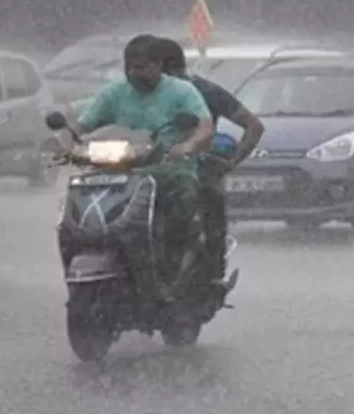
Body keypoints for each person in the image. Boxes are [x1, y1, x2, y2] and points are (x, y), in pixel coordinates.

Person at [73, 35, 215, 292]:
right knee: (78, 201)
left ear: (159, 65)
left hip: (168, 171)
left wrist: (186, 146)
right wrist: (67, 140)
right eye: (132, 67)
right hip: (120, 173)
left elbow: (205, 127)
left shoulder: (181, 92)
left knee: (182, 201)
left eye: (143, 67)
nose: (137, 73)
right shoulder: (113, 93)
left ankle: (173, 264)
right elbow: (83, 124)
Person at [152, 38, 265, 283]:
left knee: (210, 200)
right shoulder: (130, 95)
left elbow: (254, 126)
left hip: (194, 168)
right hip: (145, 168)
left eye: (146, 67)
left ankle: (214, 272)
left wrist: (230, 162)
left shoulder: (204, 91)